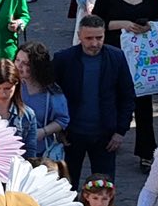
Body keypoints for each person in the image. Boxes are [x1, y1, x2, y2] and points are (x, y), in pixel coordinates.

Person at [93, 0, 158, 166]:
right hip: (116, 54)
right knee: (112, 99)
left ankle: (146, 151)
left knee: (144, 103)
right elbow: (96, 22)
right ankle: (110, 141)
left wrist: (147, 26)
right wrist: (123, 23)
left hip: (143, 56)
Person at [57, 15, 136, 183]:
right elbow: (54, 95)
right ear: (79, 36)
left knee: (104, 187)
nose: (94, 43)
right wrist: (58, 129)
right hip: (72, 134)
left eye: (99, 38)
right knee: (67, 186)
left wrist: (120, 131)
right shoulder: (64, 59)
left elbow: (127, 96)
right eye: (89, 38)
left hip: (105, 136)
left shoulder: (116, 57)